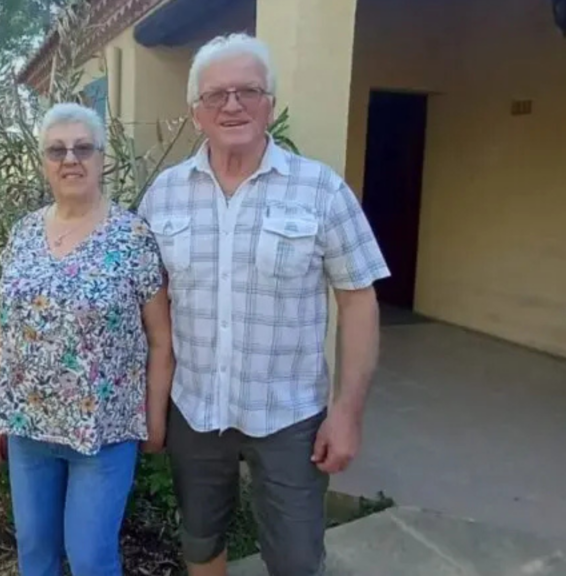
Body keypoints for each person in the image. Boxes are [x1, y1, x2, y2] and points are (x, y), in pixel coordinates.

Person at [137, 33, 389, 576]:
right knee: (201, 542)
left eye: (248, 91)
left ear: (270, 104)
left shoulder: (320, 190)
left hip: (290, 416)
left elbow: (360, 302)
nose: (232, 105)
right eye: (216, 95)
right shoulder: (163, 195)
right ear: (195, 112)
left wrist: (346, 413)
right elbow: (146, 308)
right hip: (195, 410)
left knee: (297, 558)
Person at [0, 102, 174, 576]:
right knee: (35, 554)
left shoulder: (132, 236)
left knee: (91, 558)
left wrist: (153, 419)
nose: (71, 159)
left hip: (104, 432)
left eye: (83, 148)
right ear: (43, 162)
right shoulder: (24, 231)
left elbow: (161, 339)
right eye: (57, 150)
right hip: (29, 426)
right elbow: (2, 324)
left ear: (102, 157)